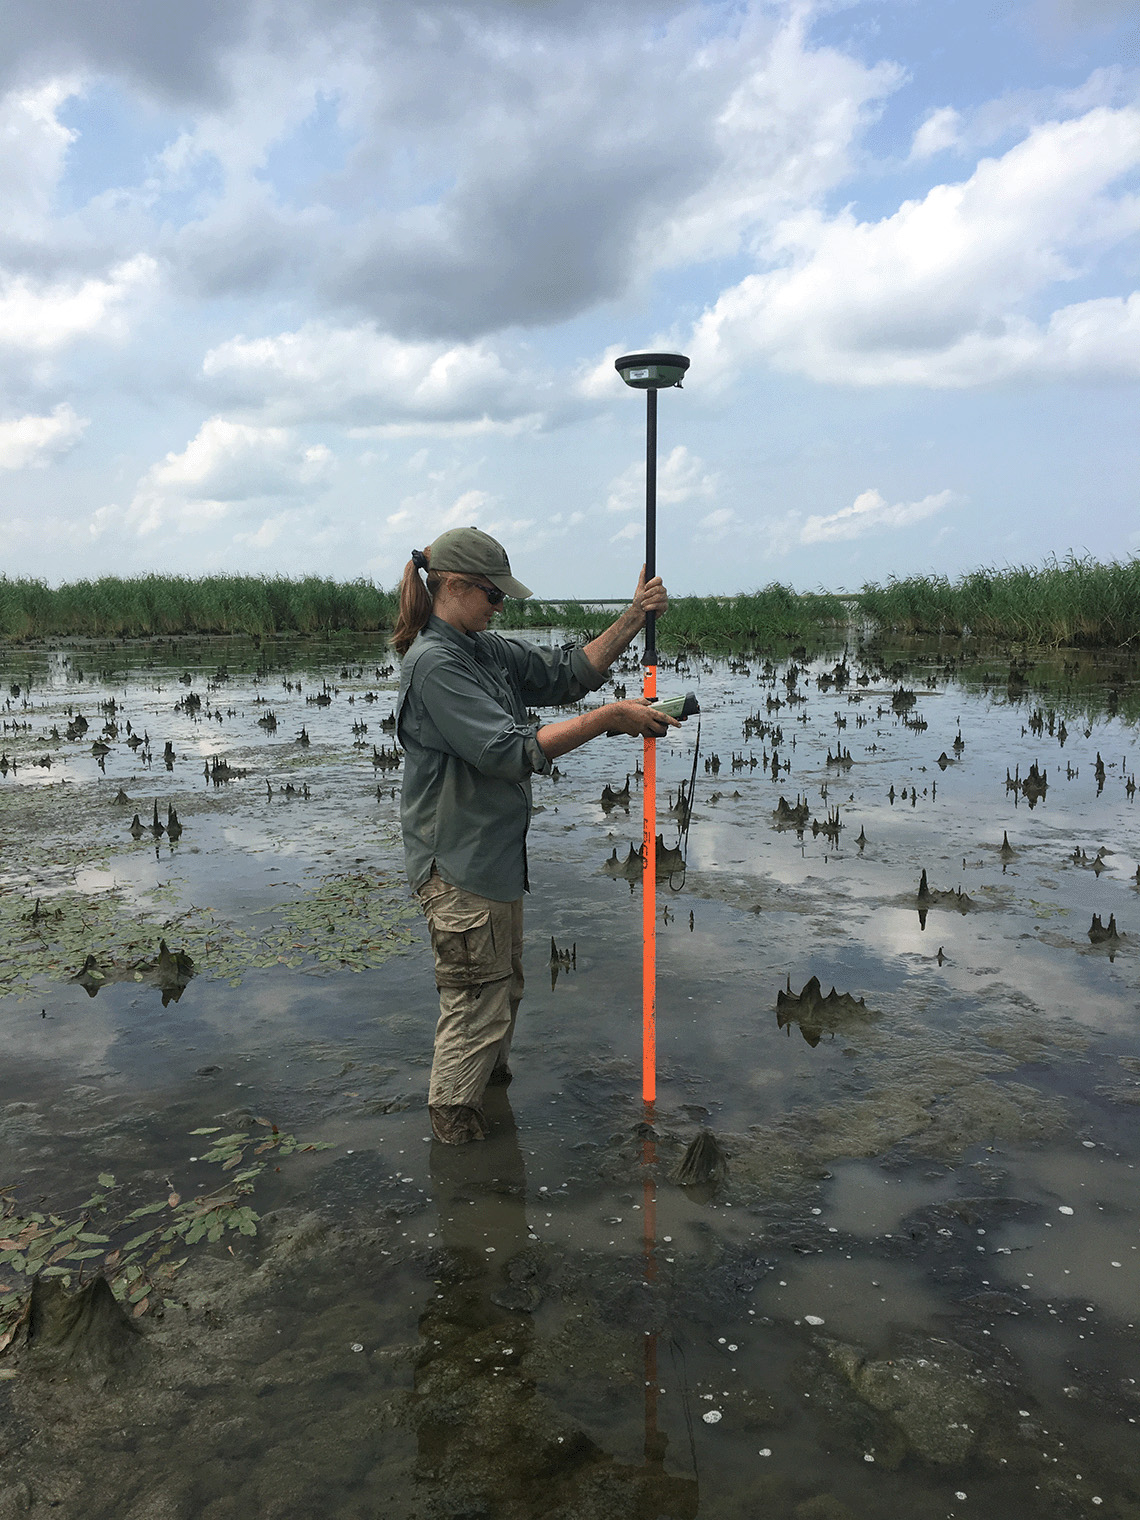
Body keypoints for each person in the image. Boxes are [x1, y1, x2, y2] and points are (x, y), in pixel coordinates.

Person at [392, 525, 680, 1145]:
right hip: (459, 869)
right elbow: (506, 752)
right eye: (493, 596)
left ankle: (489, 1127)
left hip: (493, 862)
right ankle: (460, 1163)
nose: (500, 608)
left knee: (502, 994)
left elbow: (566, 673)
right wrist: (609, 720)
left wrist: (634, 617)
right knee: (476, 1004)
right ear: (456, 588)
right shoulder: (434, 665)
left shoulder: (482, 647)